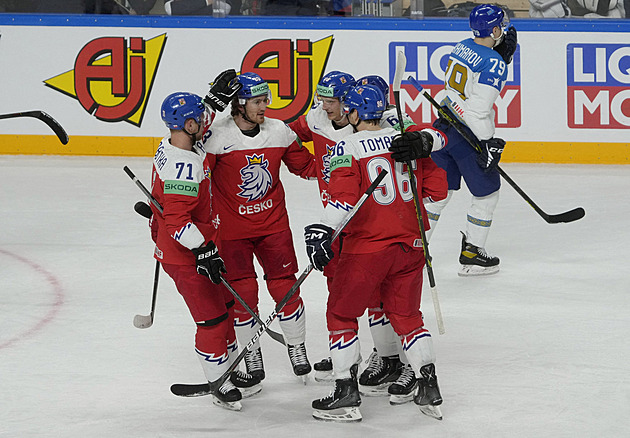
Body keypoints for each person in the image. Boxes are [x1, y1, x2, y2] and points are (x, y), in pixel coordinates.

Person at [304, 84, 448, 422]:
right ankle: (429, 387)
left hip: (366, 248)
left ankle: (346, 394)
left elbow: (341, 198)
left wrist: (321, 230)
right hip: (410, 245)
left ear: (353, 113)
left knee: (341, 315)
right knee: (410, 318)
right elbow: (437, 189)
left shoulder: (346, 145)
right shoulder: (404, 140)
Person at [149, 74, 262, 412]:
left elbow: (169, 204)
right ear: (187, 124)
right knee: (211, 319)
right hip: (185, 255)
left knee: (226, 308)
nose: (204, 120)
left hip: (197, 245)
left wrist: (211, 100)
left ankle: (226, 368)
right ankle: (219, 381)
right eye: (198, 117)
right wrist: (203, 249)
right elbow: (178, 221)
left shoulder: (177, 141)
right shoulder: (184, 165)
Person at [204, 72, 318, 384]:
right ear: (238, 104)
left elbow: (305, 166)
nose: (264, 106)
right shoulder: (215, 135)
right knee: (244, 293)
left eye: (265, 99)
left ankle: (297, 347)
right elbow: (198, 179)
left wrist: (341, 165)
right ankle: (251, 351)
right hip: (231, 231)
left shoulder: (278, 130)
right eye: (257, 101)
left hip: (274, 227)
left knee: (285, 287)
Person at [423, 4, 517, 276]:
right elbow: (477, 111)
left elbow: (465, 86)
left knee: (439, 193)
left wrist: (497, 55)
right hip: (468, 136)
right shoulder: (495, 63)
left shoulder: (462, 44)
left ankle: (414, 250)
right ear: (496, 29)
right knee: (487, 194)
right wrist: (487, 141)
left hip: (443, 127)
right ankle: (472, 253)